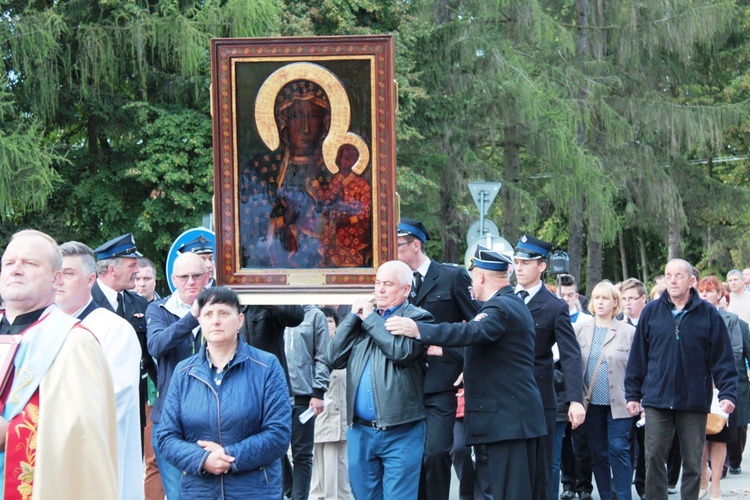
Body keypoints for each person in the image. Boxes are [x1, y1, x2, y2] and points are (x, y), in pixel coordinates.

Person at [387, 245, 548, 499]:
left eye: (474, 276)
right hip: (509, 423)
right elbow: (487, 349)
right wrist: (443, 351)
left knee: (510, 493)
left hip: (507, 424)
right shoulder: (510, 304)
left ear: (481, 276)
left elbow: (472, 332)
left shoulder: (500, 308)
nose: (472, 283)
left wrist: (418, 329)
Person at [0, 229, 118, 498]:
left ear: (56, 279)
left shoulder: (74, 343)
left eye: (29, 263)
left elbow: (82, 440)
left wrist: (10, 433)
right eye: (9, 263)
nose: (16, 269)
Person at [156, 286, 292, 499]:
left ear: (239, 320)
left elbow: (279, 434)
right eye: (208, 314)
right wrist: (203, 459)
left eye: (224, 313)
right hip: (199, 490)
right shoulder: (184, 372)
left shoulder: (266, 366)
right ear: (199, 321)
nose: (215, 321)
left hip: (254, 489)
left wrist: (228, 455)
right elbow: (166, 437)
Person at [625, 259, 738, 500]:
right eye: (668, 275)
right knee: (653, 455)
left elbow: (723, 358)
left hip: (693, 400)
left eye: (678, 275)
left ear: (691, 281)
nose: (673, 280)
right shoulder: (651, 312)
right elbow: (638, 357)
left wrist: (728, 393)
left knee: (693, 461)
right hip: (657, 398)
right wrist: (633, 394)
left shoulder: (708, 314)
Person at [326, 260, 433, 499]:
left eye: (387, 284)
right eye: (377, 283)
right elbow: (333, 357)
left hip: (402, 431)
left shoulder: (419, 317)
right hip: (361, 431)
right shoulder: (362, 320)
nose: (380, 290)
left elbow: (400, 352)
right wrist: (354, 317)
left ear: (406, 289)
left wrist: (371, 319)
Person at [396, 218, 480, 500]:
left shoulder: (450, 277)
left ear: (415, 245)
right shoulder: (396, 283)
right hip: (405, 382)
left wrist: (456, 358)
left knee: (436, 453)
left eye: (397, 245)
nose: (391, 252)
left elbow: (476, 328)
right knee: (413, 459)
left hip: (442, 384)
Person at [57, 241, 144, 500]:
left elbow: (115, 399)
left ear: (90, 279)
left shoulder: (114, 329)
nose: (59, 281)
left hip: (96, 455)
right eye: (56, 274)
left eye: (69, 273)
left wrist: (54, 426)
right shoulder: (44, 328)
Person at [513, 234, 585, 500]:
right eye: (516, 261)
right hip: (505, 396)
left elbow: (570, 356)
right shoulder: (505, 299)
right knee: (508, 468)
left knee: (542, 470)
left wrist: (575, 399)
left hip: (538, 398)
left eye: (525, 262)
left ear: (542, 266)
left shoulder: (555, 307)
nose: (518, 267)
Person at [240, 79, 334, 268]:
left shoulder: (333, 172)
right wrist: (283, 221)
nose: (305, 128)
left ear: (325, 122)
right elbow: (250, 225)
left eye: (313, 116)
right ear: (283, 121)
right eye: (296, 116)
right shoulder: (261, 169)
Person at [147, 252, 210, 500]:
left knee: (209, 491)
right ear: (173, 279)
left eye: (196, 275)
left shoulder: (219, 309)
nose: (191, 282)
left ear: (207, 276)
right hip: (170, 416)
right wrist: (192, 317)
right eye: (184, 277)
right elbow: (157, 346)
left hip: (210, 414)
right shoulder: (158, 308)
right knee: (177, 493)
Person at [92, 233, 157, 452]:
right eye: (132, 265)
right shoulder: (87, 300)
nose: (137, 271)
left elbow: (146, 354)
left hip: (133, 397)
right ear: (112, 269)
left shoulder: (137, 302)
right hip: (98, 398)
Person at [574, 281, 635, 500]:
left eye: (605, 298)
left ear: (615, 303)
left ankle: (624, 496)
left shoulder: (628, 332)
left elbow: (638, 368)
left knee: (619, 449)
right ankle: (607, 496)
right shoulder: (580, 329)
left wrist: (639, 397)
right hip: (590, 403)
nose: (600, 302)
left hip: (620, 402)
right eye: (597, 298)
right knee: (598, 453)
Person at [697, 275, 743, 499]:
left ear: (719, 294)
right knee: (698, 435)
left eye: (709, 291)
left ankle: (716, 483)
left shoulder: (730, 319)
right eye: (701, 291)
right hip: (696, 384)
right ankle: (702, 478)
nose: (704, 295)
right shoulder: (690, 316)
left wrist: (718, 377)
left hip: (720, 384)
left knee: (718, 435)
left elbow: (735, 352)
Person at [283, 305, 330, 500]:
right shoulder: (275, 310)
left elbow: (323, 356)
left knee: (302, 455)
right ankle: (289, 491)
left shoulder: (315, 315)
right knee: (274, 451)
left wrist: (318, 391)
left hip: (304, 396)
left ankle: (299, 497)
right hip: (276, 395)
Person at [309, 307, 353, 500]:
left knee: (340, 471)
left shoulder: (348, 350)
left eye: (330, 321)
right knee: (317, 472)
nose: (327, 325)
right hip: (318, 419)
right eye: (323, 321)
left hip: (341, 420)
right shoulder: (312, 353)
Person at [556, 274, 593, 500]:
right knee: (563, 439)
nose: (566, 299)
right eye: (562, 295)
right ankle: (567, 483)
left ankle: (584, 486)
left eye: (570, 295)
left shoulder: (586, 321)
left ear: (576, 296)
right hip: (558, 379)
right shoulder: (552, 315)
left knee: (581, 438)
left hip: (581, 381)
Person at [319, 143, 373, 267]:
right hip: (337, 221)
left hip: (356, 225)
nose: (345, 162)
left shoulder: (361, 183)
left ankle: (348, 267)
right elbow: (327, 199)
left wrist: (349, 220)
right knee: (325, 230)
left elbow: (366, 210)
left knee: (341, 234)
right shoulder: (337, 179)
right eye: (343, 158)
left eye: (349, 159)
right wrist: (316, 185)